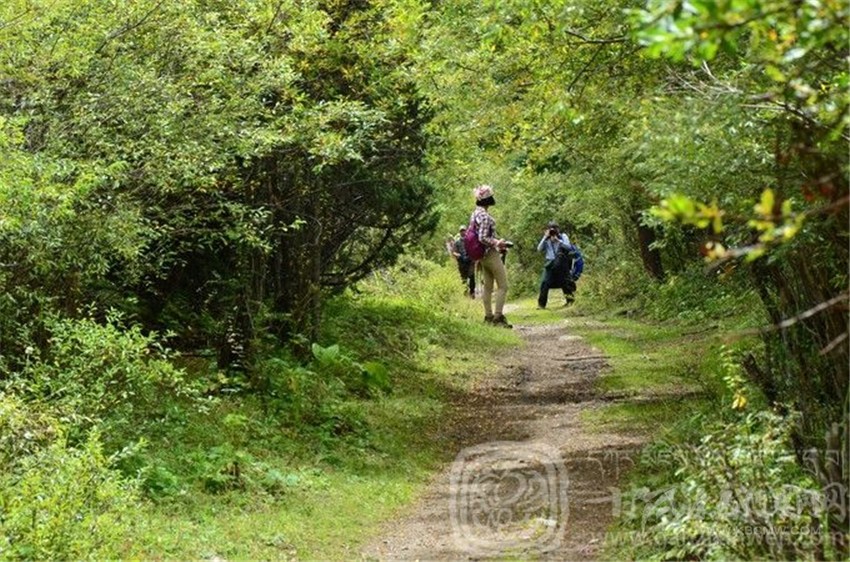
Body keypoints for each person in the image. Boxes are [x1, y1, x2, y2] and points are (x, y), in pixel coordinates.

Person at [469, 185, 511, 328]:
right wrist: (497, 242)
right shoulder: (485, 216)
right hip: (490, 254)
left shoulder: (474, 214)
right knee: (503, 286)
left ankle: (488, 316)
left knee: (488, 286)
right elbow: (482, 237)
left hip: (481, 256)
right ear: (488, 201)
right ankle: (498, 317)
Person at [537, 221, 574, 309]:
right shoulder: (546, 239)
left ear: (558, 229)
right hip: (550, 263)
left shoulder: (563, 236)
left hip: (561, 262)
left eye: (555, 228)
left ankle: (570, 301)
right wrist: (545, 237)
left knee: (565, 282)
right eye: (551, 229)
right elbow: (539, 249)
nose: (553, 231)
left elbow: (569, 247)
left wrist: (558, 241)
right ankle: (541, 305)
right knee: (545, 282)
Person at [450, 226, 476, 298]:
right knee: (464, 278)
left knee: (472, 276)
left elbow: (474, 249)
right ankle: (465, 292)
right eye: (461, 231)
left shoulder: (470, 240)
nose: (463, 232)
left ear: (466, 231)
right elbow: (453, 252)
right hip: (461, 262)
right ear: (459, 232)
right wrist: (458, 255)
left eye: (464, 231)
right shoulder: (457, 242)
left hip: (470, 261)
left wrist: (472, 256)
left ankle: (472, 292)